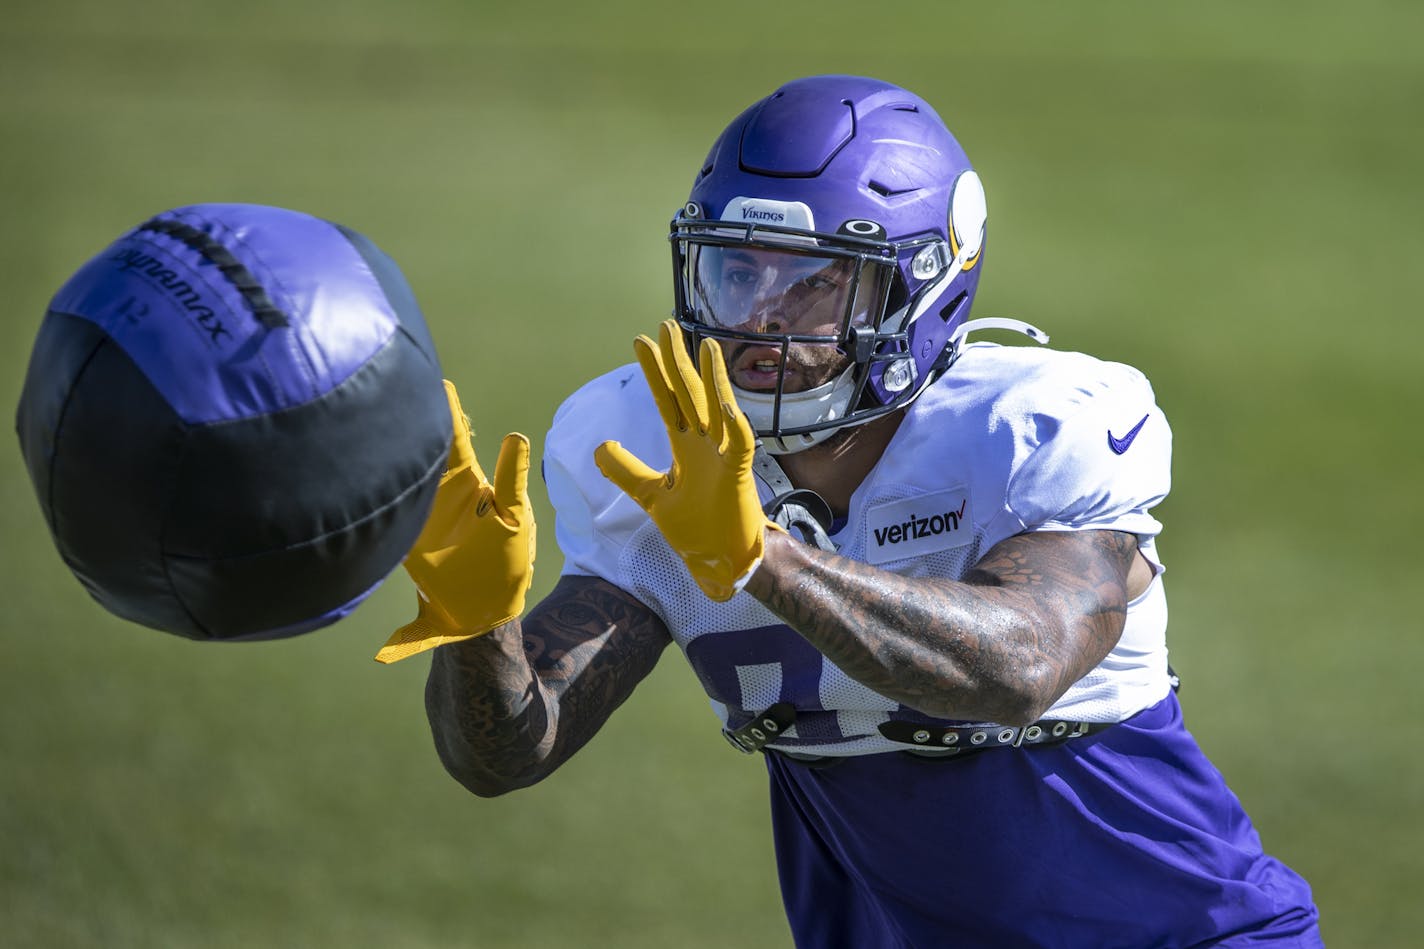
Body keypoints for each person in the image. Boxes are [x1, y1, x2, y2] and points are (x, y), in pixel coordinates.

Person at [377, 75, 1323, 947]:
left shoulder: (1030, 429)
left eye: (814, 279)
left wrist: (765, 559)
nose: (762, 314)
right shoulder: (648, 445)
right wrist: (478, 626)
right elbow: (502, 753)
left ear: (926, 285)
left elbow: (1021, 664)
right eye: (734, 271)